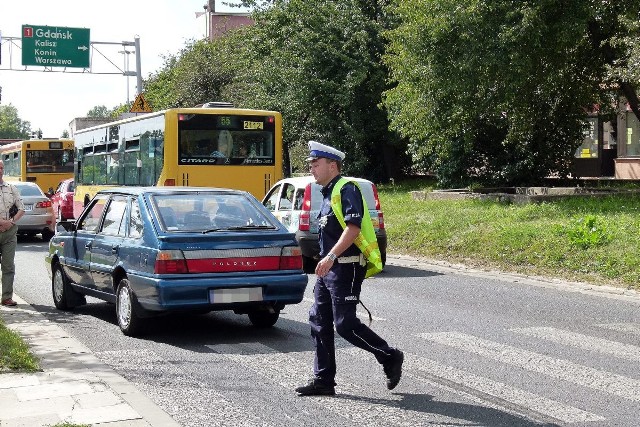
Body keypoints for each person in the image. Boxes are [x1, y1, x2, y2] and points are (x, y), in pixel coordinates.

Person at [295, 140, 403, 396]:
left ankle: (389, 356)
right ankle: (323, 381)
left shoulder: (347, 189)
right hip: (328, 269)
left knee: (345, 324)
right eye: (311, 164)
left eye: (316, 163)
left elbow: (353, 230)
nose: (312, 168)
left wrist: (330, 256)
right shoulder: (326, 192)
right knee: (319, 321)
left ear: (332, 165)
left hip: (345, 266)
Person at [0, 160, 25, 307]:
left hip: (9, 233)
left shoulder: (11, 188)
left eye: (2, 167)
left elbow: (21, 208)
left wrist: (11, 222)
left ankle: (6, 297)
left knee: (8, 266)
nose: (0, 170)